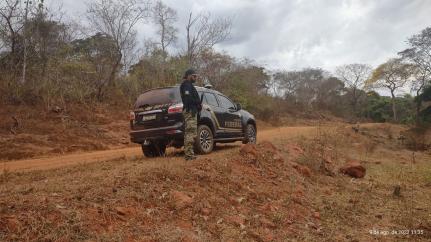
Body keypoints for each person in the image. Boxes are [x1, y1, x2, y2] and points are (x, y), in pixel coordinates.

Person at [180, 68, 202, 160]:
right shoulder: (186, 85)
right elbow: (188, 99)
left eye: (196, 76)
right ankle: (189, 156)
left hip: (191, 111)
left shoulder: (189, 85)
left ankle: (189, 154)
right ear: (189, 76)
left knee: (190, 133)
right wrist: (197, 102)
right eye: (194, 76)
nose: (195, 78)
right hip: (190, 111)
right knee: (190, 133)